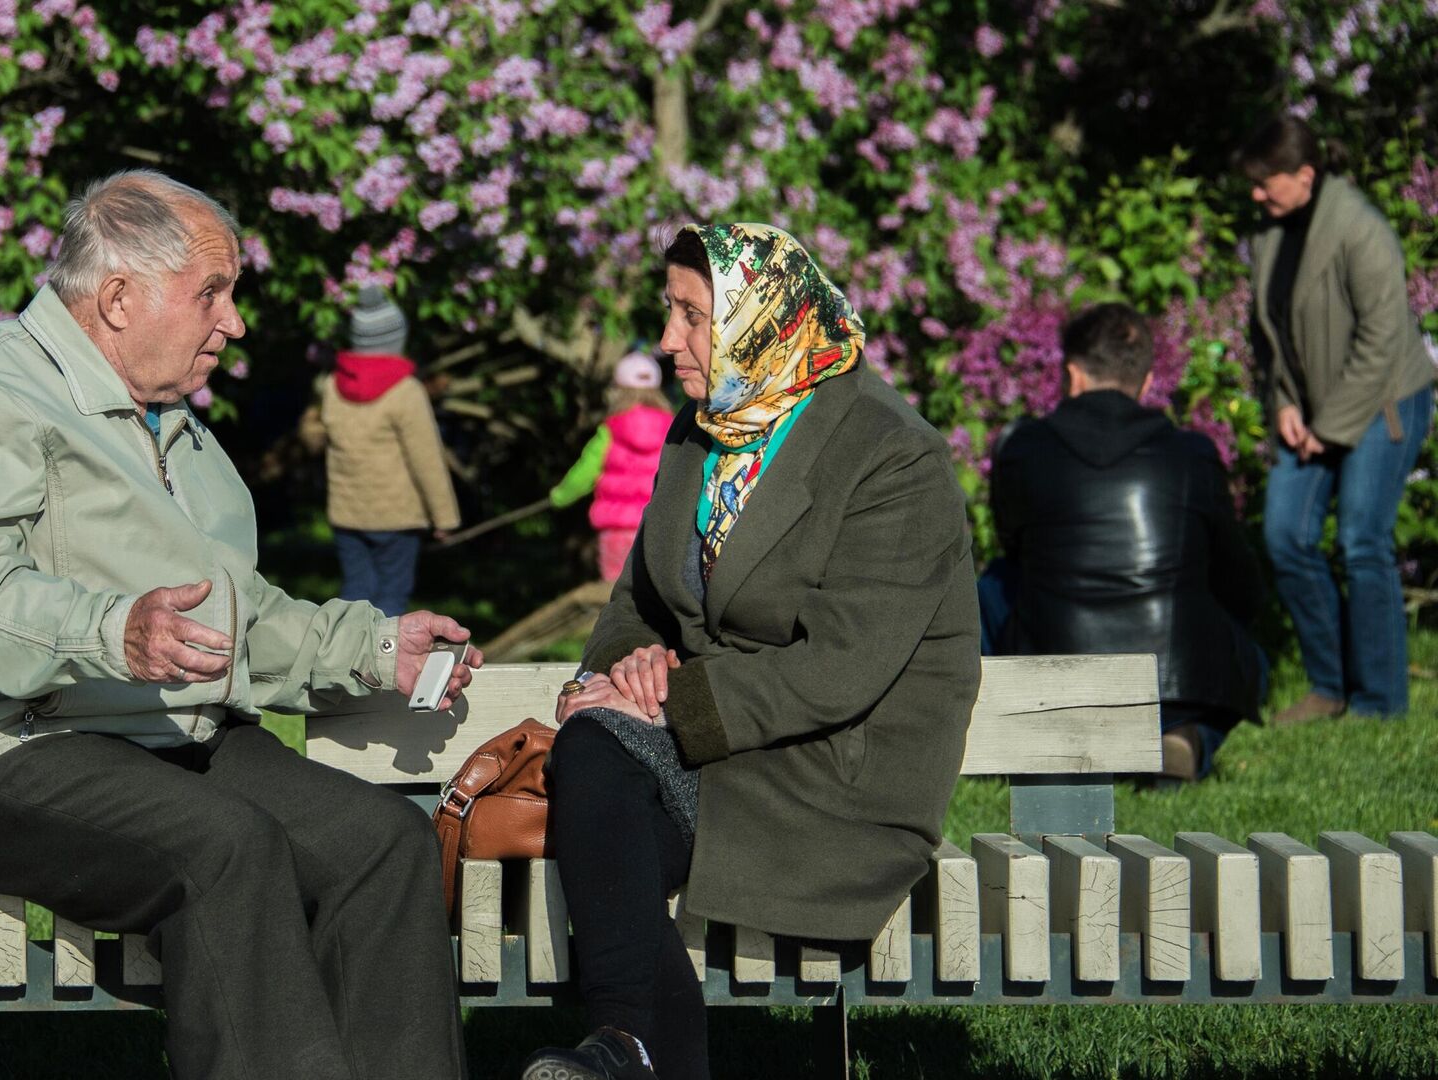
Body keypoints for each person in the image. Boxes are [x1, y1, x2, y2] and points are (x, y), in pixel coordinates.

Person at [0, 170, 477, 1080]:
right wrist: (115, 633)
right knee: (224, 847)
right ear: (118, 298)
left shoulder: (173, 426)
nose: (233, 323)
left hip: (164, 733)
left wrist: (375, 649)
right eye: (211, 294)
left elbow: (234, 615)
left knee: (379, 844)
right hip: (2, 746)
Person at [520, 224, 979, 1080]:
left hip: (828, 770)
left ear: (764, 319)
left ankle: (625, 1046)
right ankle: (625, 1046)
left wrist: (666, 701)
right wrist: (622, 667)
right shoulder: (701, 431)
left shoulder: (889, 453)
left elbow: (838, 668)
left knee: (601, 812)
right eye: (669, 311)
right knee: (593, 760)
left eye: (694, 316)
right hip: (718, 751)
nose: (667, 340)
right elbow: (640, 598)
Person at [987, 303, 1267, 781]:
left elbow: (1013, 545)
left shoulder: (1024, 447)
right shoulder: (1194, 455)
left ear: (1073, 376)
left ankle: (1036, 729)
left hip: (1055, 672)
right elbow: (1239, 581)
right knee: (1245, 643)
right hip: (1172, 683)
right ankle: (1185, 736)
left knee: (991, 583)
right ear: (1146, 379)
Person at [1240, 115, 1434, 724]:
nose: (1256, 193)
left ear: (1304, 174)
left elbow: (1381, 341)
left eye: (1265, 181)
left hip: (1385, 403)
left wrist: (1329, 426)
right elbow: (1266, 337)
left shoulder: (1361, 230)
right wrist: (1285, 405)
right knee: (1286, 536)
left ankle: (1379, 700)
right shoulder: (1270, 235)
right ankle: (1329, 686)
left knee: (1360, 541)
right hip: (1311, 412)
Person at [299, 286, 461, 614]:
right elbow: (426, 458)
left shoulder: (332, 385)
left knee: (356, 590)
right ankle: (382, 662)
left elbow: (317, 431)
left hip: (348, 512)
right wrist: (443, 516)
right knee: (391, 594)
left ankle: (342, 659)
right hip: (396, 516)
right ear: (395, 340)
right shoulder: (406, 391)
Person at [548, 351, 676, 581]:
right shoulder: (673, 428)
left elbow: (584, 474)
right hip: (660, 527)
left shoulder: (609, 430)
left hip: (617, 532)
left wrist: (559, 497)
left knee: (617, 596)